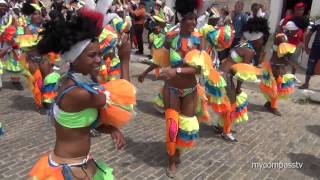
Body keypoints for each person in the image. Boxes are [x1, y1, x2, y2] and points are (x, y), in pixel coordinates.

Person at [28, 0, 135, 179]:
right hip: (70, 169)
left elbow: (83, 123)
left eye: (100, 54)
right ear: (75, 59)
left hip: (82, 163)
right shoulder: (78, 93)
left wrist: (110, 129)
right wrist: (124, 59)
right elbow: (125, 100)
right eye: (92, 55)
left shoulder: (75, 82)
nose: (99, 60)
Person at [212, 17, 270, 142]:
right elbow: (242, 73)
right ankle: (225, 132)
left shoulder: (242, 43)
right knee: (232, 104)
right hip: (226, 76)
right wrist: (238, 88)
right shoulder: (249, 51)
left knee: (228, 102)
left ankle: (220, 125)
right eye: (262, 39)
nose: (263, 41)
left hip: (220, 73)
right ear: (257, 38)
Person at [260, 29, 297, 116]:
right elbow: (283, 56)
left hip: (276, 65)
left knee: (274, 87)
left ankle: (269, 103)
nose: (296, 33)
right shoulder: (281, 38)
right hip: (276, 67)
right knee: (276, 88)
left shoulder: (281, 37)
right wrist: (292, 64)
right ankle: (273, 107)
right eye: (295, 31)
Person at [299, 20, 320, 89]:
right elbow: (309, 34)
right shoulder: (318, 22)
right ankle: (306, 84)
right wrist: (306, 46)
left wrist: (306, 46)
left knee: (310, 66)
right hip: (316, 48)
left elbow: (309, 34)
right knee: (310, 66)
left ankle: (306, 84)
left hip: (316, 48)